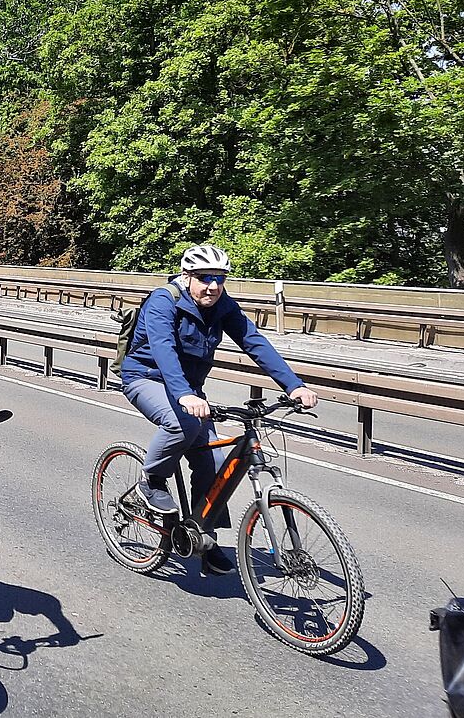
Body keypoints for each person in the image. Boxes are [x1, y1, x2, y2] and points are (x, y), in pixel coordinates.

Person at [120, 243, 319, 576]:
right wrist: (184, 394)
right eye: (204, 278)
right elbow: (164, 350)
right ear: (187, 276)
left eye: (219, 278)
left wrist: (293, 385)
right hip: (146, 378)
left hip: (189, 391)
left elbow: (254, 342)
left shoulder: (222, 306)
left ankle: (205, 538)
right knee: (180, 424)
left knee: (212, 459)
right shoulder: (163, 301)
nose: (212, 286)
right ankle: (150, 480)